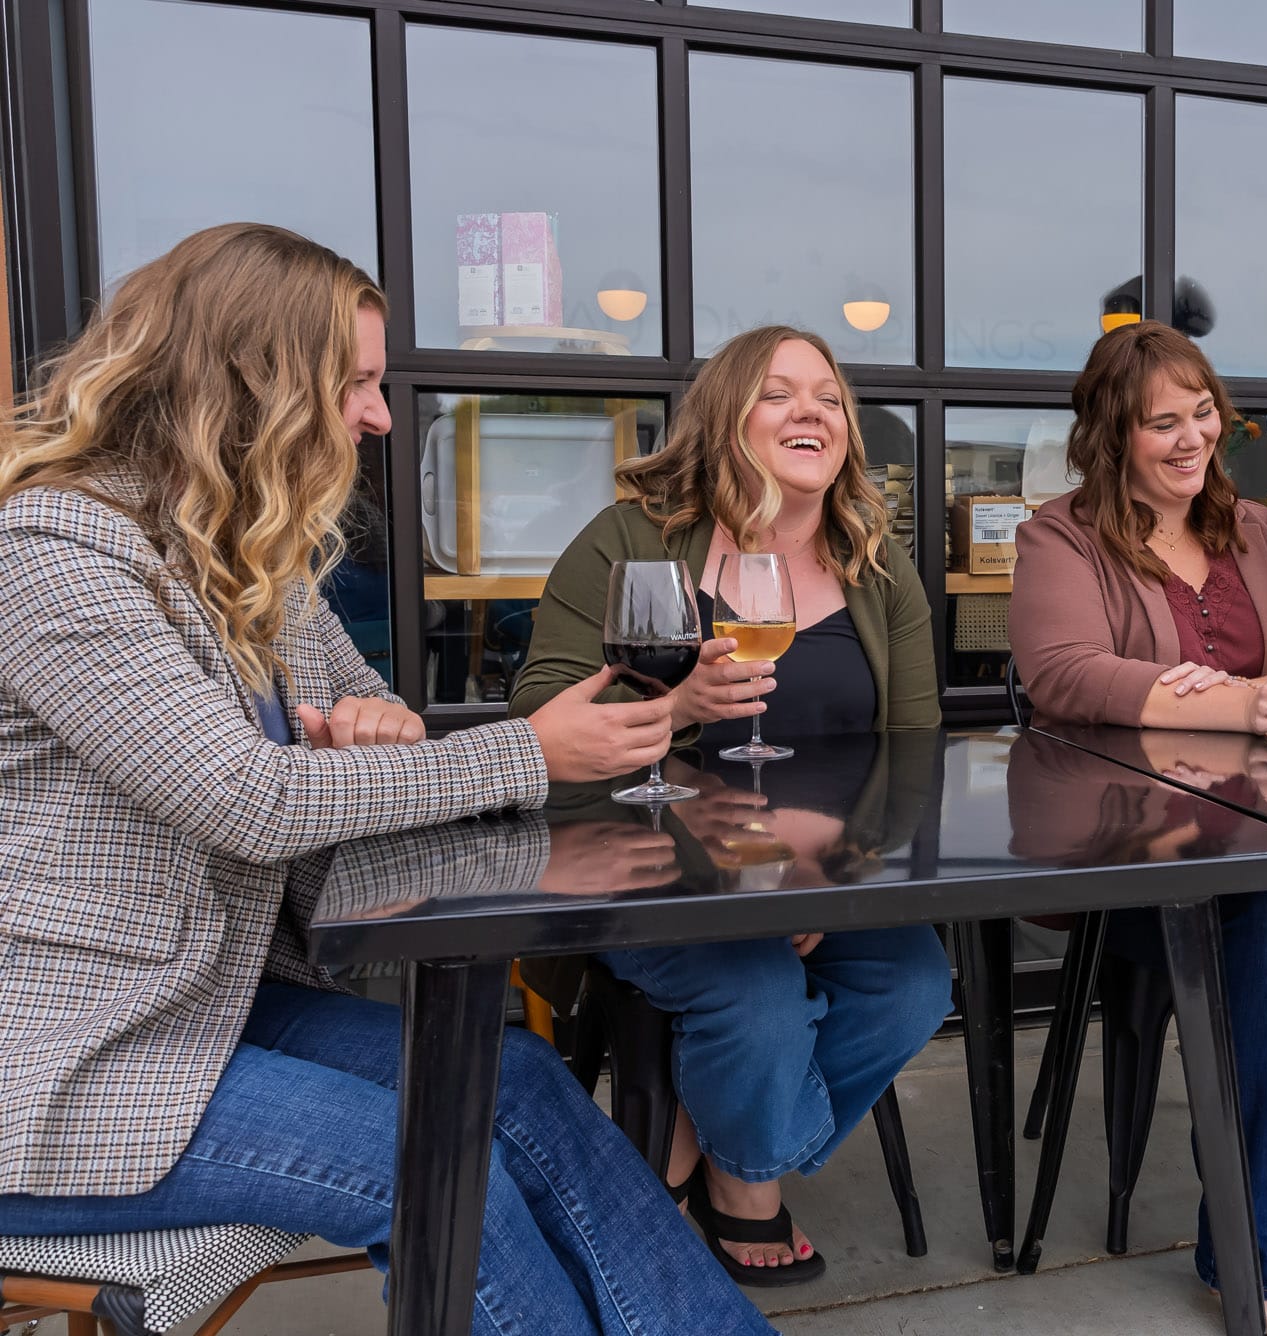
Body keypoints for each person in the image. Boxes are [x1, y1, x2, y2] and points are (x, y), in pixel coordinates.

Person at [0, 223, 774, 1336]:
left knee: (523, 1086)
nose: (379, 415)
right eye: (356, 383)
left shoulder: (244, 563)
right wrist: (529, 751)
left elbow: (388, 730)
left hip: (210, 1014)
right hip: (68, 1067)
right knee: (427, 1157)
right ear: (254, 383)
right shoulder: (57, 550)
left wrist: (385, 733)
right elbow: (247, 799)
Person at [510, 324, 952, 1288]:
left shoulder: (875, 564)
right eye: (778, 393)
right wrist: (675, 709)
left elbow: (913, 751)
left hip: (821, 865)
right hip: (643, 866)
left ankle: (703, 1145)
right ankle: (749, 1185)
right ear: (725, 417)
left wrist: (833, 874)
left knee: (915, 982)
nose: (811, 412)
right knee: (757, 1001)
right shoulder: (630, 539)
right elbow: (540, 718)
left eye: (829, 398)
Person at [1008, 320, 1267, 1336]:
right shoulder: (1061, 535)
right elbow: (1062, 673)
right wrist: (1241, 702)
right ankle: (1247, 1251)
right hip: (1134, 844)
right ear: (1112, 433)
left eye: (1203, 413)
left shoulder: (1263, 530)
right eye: (1163, 422)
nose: (1193, 437)